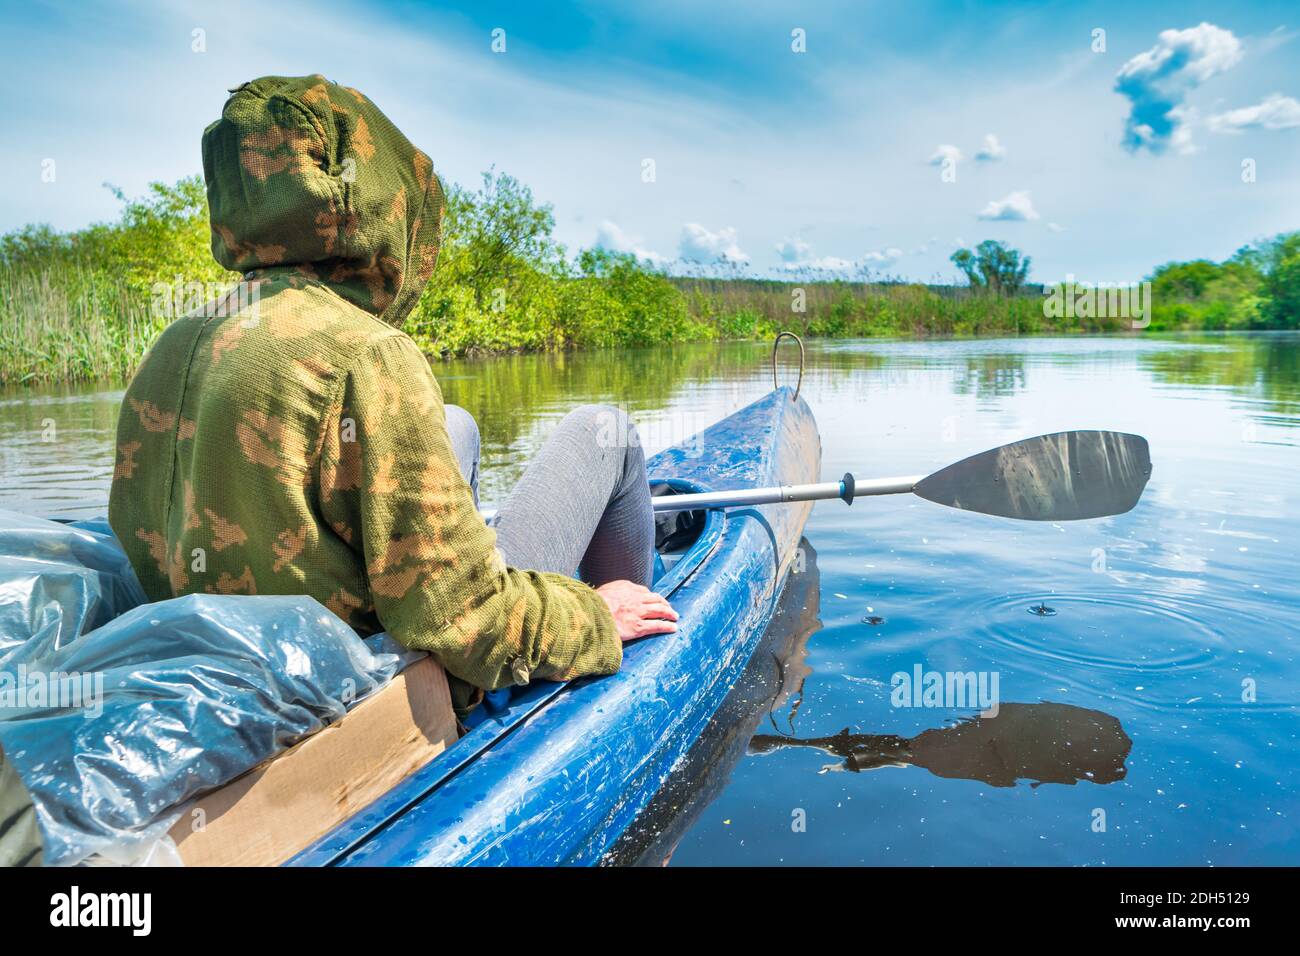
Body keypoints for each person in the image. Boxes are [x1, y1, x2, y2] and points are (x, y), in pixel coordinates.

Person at [107, 74, 677, 716]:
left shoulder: (176, 340)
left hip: (240, 664)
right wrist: (592, 616)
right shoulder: (365, 352)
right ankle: (641, 628)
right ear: (373, 199)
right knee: (604, 432)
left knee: (454, 422)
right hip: (381, 684)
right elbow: (466, 623)